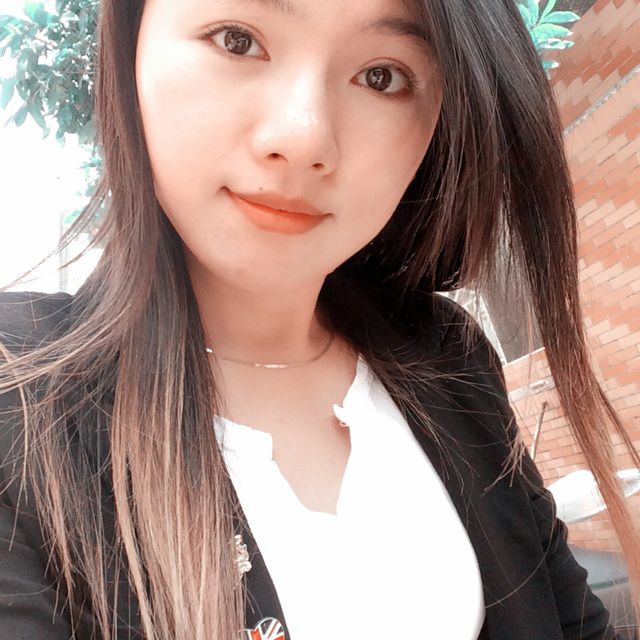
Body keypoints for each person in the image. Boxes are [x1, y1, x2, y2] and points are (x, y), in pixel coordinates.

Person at [0, 0, 638, 638]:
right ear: (131, 44)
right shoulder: (18, 395)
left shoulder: (448, 356)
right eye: (236, 40)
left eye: (382, 77)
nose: (303, 138)